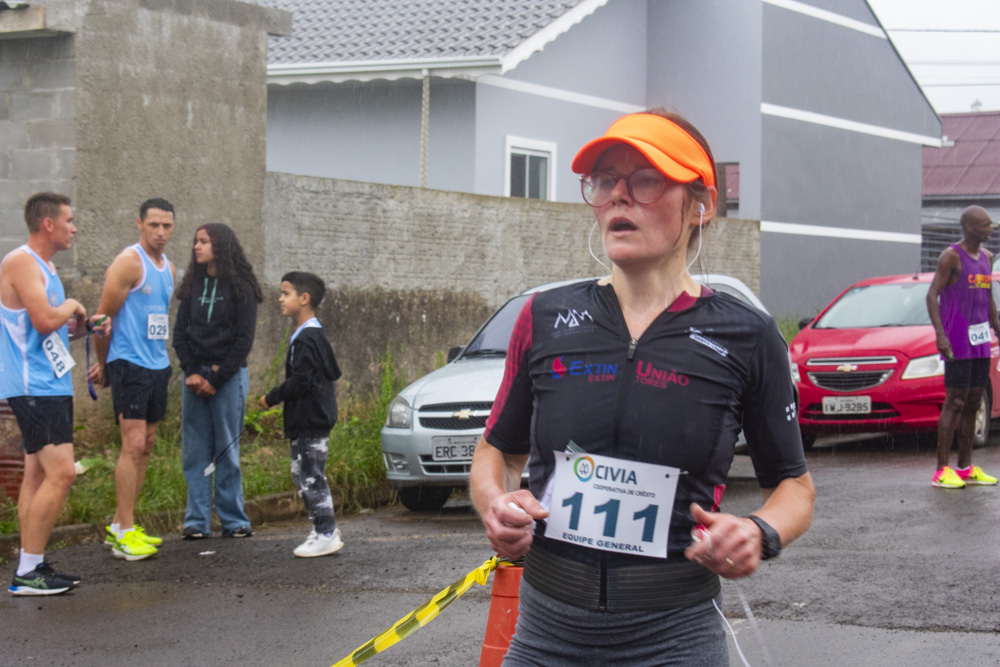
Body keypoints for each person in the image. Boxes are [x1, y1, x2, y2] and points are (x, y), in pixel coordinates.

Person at [469, 110, 815, 665]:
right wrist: (496, 503)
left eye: (646, 179)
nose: (618, 198)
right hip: (545, 636)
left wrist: (758, 530)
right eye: (606, 181)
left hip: (673, 638)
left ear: (700, 204)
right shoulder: (543, 316)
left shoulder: (748, 336)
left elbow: (795, 488)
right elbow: (497, 450)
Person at [2, 192, 111, 595]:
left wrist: (88, 326)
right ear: (48, 224)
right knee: (63, 472)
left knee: (36, 474)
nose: (74, 227)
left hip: (50, 383)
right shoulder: (20, 263)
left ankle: (31, 564)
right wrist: (72, 305)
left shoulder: (46, 268)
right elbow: (48, 318)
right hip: (34, 386)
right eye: (69, 220)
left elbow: (55, 328)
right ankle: (28, 573)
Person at [88, 198, 176, 560]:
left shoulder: (168, 267)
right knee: (133, 443)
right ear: (139, 224)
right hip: (129, 362)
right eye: (153, 225)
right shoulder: (129, 262)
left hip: (157, 364)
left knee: (149, 442)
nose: (160, 232)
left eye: (167, 226)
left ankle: (122, 523)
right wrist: (104, 363)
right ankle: (124, 532)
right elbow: (100, 320)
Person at [172, 223, 262, 539]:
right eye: (196, 241)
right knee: (195, 451)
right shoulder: (193, 285)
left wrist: (217, 376)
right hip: (193, 377)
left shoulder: (241, 288)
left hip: (229, 378)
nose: (196, 247)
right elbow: (180, 333)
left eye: (204, 241)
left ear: (220, 246)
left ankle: (233, 520)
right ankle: (196, 521)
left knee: (226, 450)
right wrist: (192, 371)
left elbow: (243, 339)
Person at [257, 271, 343, 557]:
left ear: (304, 298)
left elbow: (302, 382)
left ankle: (326, 532)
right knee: (303, 474)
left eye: (286, 293)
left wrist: (271, 398)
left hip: (310, 420)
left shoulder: (306, 339)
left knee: (310, 476)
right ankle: (322, 527)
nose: (280, 299)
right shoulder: (310, 335)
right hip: (309, 420)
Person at [926, 205, 1000, 489]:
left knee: (973, 403)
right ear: (969, 227)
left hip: (980, 341)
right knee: (954, 402)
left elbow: (988, 299)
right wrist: (940, 335)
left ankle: (966, 467)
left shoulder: (988, 258)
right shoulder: (951, 257)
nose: (990, 228)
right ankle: (941, 470)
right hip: (957, 341)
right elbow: (932, 296)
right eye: (985, 225)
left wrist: (996, 327)